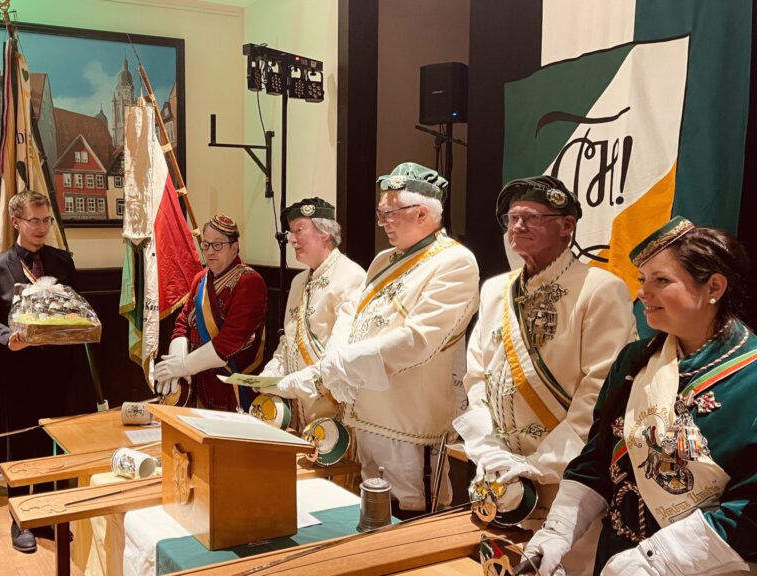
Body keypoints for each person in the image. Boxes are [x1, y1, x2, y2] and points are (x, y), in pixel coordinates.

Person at [523, 217, 757, 575]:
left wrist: (657, 561)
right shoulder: (634, 360)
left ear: (714, 286)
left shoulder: (750, 374)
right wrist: (558, 530)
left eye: (661, 280)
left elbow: (750, 509)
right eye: (643, 280)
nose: (643, 292)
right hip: (617, 557)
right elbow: (597, 461)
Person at [453, 176, 636, 574]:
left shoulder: (600, 289)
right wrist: (489, 450)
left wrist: (539, 464)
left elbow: (601, 391)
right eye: (512, 218)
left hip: (568, 476)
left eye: (531, 217)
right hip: (499, 473)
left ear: (567, 225)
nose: (518, 226)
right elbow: (477, 375)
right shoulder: (495, 289)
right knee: (495, 563)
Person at [318, 162, 480, 515]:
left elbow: (418, 340)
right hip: (366, 410)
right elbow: (352, 311)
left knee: (410, 515)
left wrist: (344, 364)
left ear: (422, 213)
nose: (383, 222)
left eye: (390, 213)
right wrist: (334, 356)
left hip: (409, 422)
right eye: (381, 213)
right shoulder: (383, 259)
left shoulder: (454, 260)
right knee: (371, 514)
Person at [0, 190, 79, 553]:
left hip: (59, 367)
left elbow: (75, 307)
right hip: (18, 369)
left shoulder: (63, 261)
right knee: (23, 442)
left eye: (46, 220)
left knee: (53, 441)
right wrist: (9, 339)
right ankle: (21, 518)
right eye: (33, 220)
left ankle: (48, 514)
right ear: (16, 222)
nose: (41, 228)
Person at [257, 197, 366, 429]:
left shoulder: (352, 276)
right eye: (291, 232)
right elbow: (289, 341)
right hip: (299, 408)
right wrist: (271, 372)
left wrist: (292, 384)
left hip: (335, 409)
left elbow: (343, 354)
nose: (291, 239)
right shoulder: (298, 281)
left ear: (325, 233)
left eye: (299, 230)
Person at [153, 215, 268, 411]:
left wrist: (182, 366)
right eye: (205, 245)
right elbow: (182, 324)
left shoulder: (250, 282)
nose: (210, 251)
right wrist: (176, 363)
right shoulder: (200, 278)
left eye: (217, 245)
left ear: (234, 247)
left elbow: (229, 343)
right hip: (196, 381)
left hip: (232, 386)